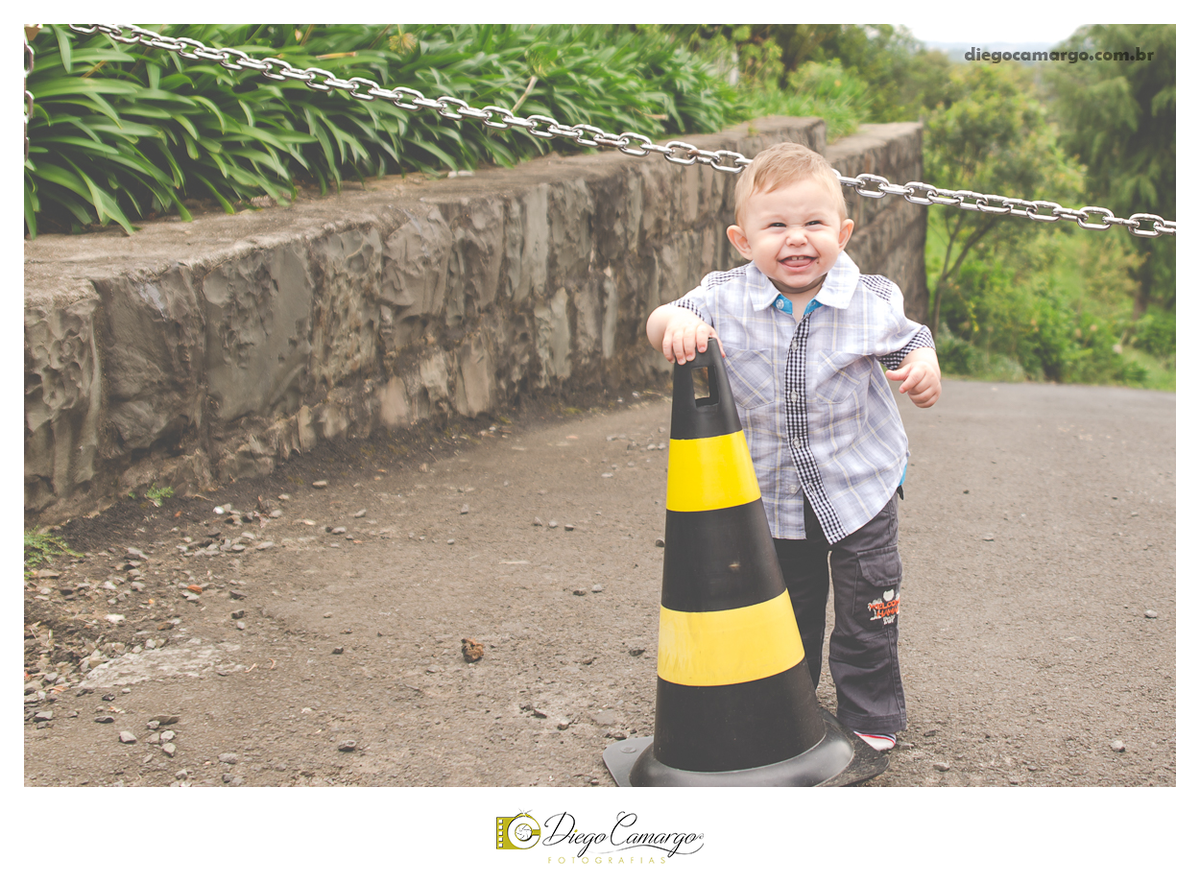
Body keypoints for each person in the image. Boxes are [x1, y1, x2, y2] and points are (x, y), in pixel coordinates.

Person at [645, 142, 941, 752]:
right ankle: (792, 705)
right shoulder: (723, 298)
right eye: (776, 225)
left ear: (844, 230)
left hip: (858, 483)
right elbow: (663, 315)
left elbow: (911, 341)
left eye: (814, 223)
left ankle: (871, 712)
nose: (798, 239)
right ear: (743, 240)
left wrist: (922, 367)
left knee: (868, 605)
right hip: (773, 489)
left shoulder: (870, 300)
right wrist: (673, 326)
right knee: (786, 603)